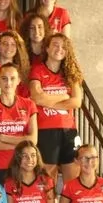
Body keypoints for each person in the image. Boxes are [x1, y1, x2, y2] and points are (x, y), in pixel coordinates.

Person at [29, 33, 84, 184]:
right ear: (46, 48)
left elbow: (77, 102)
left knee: (73, 180)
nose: (59, 49)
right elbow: (36, 97)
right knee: (47, 180)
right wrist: (64, 97)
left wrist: (48, 101)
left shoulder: (70, 73)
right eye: (55, 45)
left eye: (63, 47)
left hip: (69, 130)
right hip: (46, 130)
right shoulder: (37, 70)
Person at [0, 63, 38, 184]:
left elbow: (33, 140)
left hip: (22, 165)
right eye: (4, 78)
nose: (8, 83)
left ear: (19, 80)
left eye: (12, 78)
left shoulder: (29, 104)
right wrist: (21, 146)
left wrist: (3, 137)